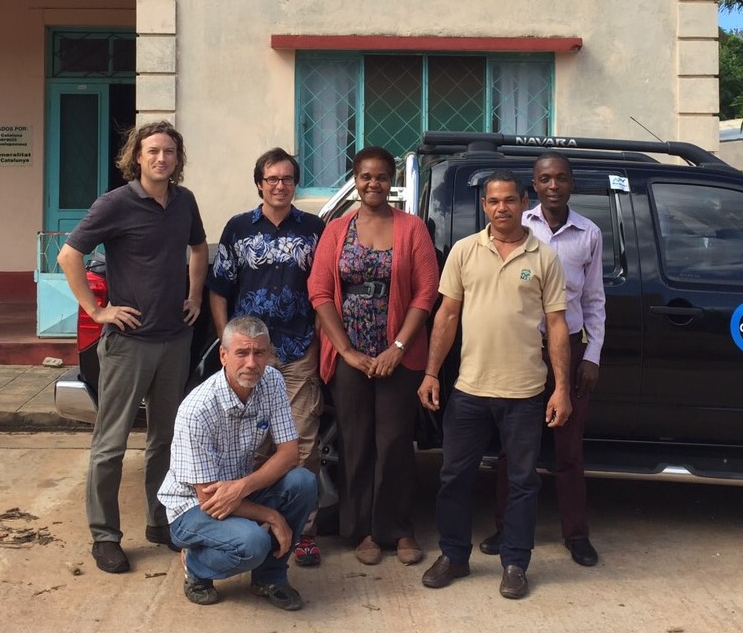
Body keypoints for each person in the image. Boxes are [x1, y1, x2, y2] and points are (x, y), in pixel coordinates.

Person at [57, 120, 209, 574]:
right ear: (137, 157)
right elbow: (69, 255)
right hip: (128, 345)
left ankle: (161, 522)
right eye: (153, 151)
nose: (161, 159)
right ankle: (105, 536)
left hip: (174, 341)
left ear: (178, 159)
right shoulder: (116, 203)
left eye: (169, 152)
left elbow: (198, 249)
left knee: (165, 441)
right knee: (111, 444)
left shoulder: (184, 202)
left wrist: (195, 295)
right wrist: (98, 310)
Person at [417, 170, 571, 600]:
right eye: (493, 201)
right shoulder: (465, 252)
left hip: (524, 392)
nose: (501, 207)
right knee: (454, 477)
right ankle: (454, 556)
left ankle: (516, 564)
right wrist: (431, 373)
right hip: (470, 389)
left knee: (523, 481)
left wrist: (562, 388)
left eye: (509, 200)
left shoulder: (544, 257)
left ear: (525, 203)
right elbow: (446, 316)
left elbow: (557, 326)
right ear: (483, 206)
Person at [308, 146, 440, 566]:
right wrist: (345, 350)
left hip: (397, 353)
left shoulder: (412, 228)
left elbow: (426, 292)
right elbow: (320, 292)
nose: (373, 184)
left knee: (396, 442)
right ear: (355, 179)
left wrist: (398, 347)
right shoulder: (336, 231)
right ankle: (362, 530)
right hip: (349, 355)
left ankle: (398, 530)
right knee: (354, 441)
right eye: (365, 177)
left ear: (392, 180)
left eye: (381, 177)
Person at [478, 152, 606, 567]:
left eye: (562, 178)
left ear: (572, 183)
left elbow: (594, 301)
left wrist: (593, 356)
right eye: (545, 179)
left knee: (568, 450)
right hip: (519, 350)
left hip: (567, 348)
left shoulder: (588, 233)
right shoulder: (519, 225)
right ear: (533, 186)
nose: (554, 186)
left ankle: (576, 534)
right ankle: (506, 528)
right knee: (514, 450)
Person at [208, 147, 327, 566]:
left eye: (287, 179)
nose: (280, 185)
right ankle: (254, 522)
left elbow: (325, 289)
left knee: (302, 442)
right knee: (250, 443)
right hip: (250, 357)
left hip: (298, 353)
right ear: (259, 183)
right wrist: (228, 342)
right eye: (272, 179)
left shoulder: (315, 228)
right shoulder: (239, 229)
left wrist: (318, 340)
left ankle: (304, 530)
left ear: (296, 184)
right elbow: (219, 288)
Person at [159, 316, 317, 610]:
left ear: (269, 354)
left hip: (237, 489)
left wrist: (243, 486)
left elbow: (289, 453)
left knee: (303, 482)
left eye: (259, 353)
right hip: (192, 507)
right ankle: (195, 566)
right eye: (242, 353)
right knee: (253, 543)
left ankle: (270, 577)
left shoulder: (272, 381)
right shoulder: (197, 410)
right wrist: (271, 516)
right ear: (223, 355)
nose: (251, 363)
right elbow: (208, 498)